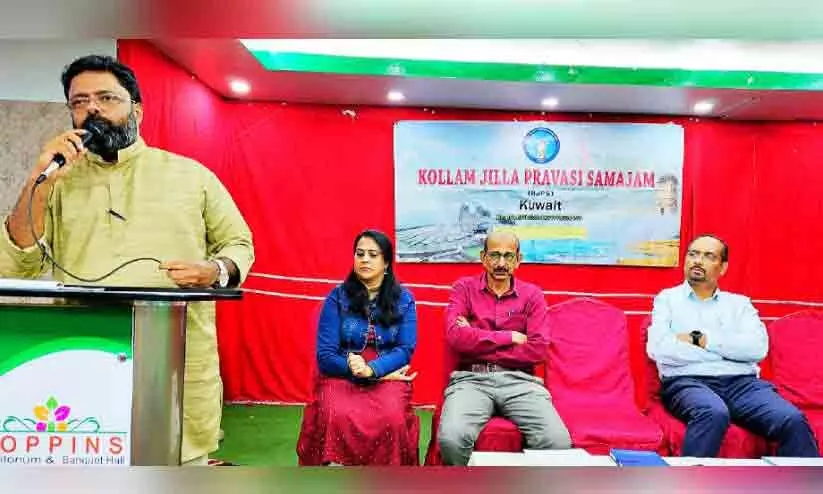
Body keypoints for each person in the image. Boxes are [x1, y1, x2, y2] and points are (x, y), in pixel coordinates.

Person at [0, 55, 255, 465]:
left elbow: (238, 243)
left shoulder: (192, 176)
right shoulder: (58, 182)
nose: (93, 110)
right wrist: (38, 179)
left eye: (106, 98)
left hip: (176, 361)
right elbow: (16, 264)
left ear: (137, 110)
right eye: (80, 102)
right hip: (84, 355)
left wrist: (215, 270)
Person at [647, 234, 819, 458]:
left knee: (791, 419)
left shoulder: (739, 305)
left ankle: (803, 480)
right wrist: (729, 352)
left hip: (742, 385)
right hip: (687, 382)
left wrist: (701, 340)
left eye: (708, 256)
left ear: (723, 267)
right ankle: (688, 479)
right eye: (693, 254)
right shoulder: (667, 299)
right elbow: (660, 349)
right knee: (713, 412)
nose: (697, 261)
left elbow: (757, 349)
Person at [437, 230, 571, 466]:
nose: (501, 263)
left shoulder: (532, 296)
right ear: (483, 257)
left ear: (518, 260)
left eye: (508, 256)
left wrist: (475, 339)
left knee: (556, 441)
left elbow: (538, 350)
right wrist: (510, 337)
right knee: (451, 438)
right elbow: (456, 338)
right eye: (494, 255)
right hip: (472, 379)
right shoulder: (463, 289)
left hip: (521, 382)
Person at [297, 229, 419, 466]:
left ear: (386, 262)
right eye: (360, 254)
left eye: (373, 254)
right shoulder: (337, 298)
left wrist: (373, 370)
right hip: (341, 373)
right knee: (336, 414)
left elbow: (405, 350)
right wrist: (356, 369)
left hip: (386, 371)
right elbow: (325, 356)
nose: (364, 259)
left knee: (392, 417)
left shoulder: (404, 299)